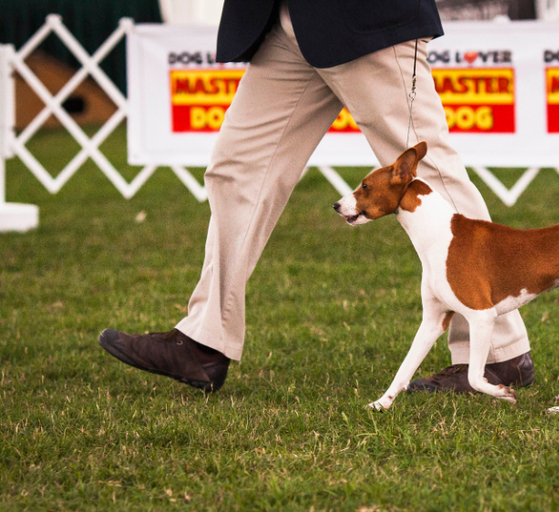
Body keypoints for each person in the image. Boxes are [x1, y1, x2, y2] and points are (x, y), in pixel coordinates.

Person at [99, 0, 535, 394]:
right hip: (285, 19)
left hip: (364, 19)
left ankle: (500, 354)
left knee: (428, 177)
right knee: (236, 168)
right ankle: (204, 341)